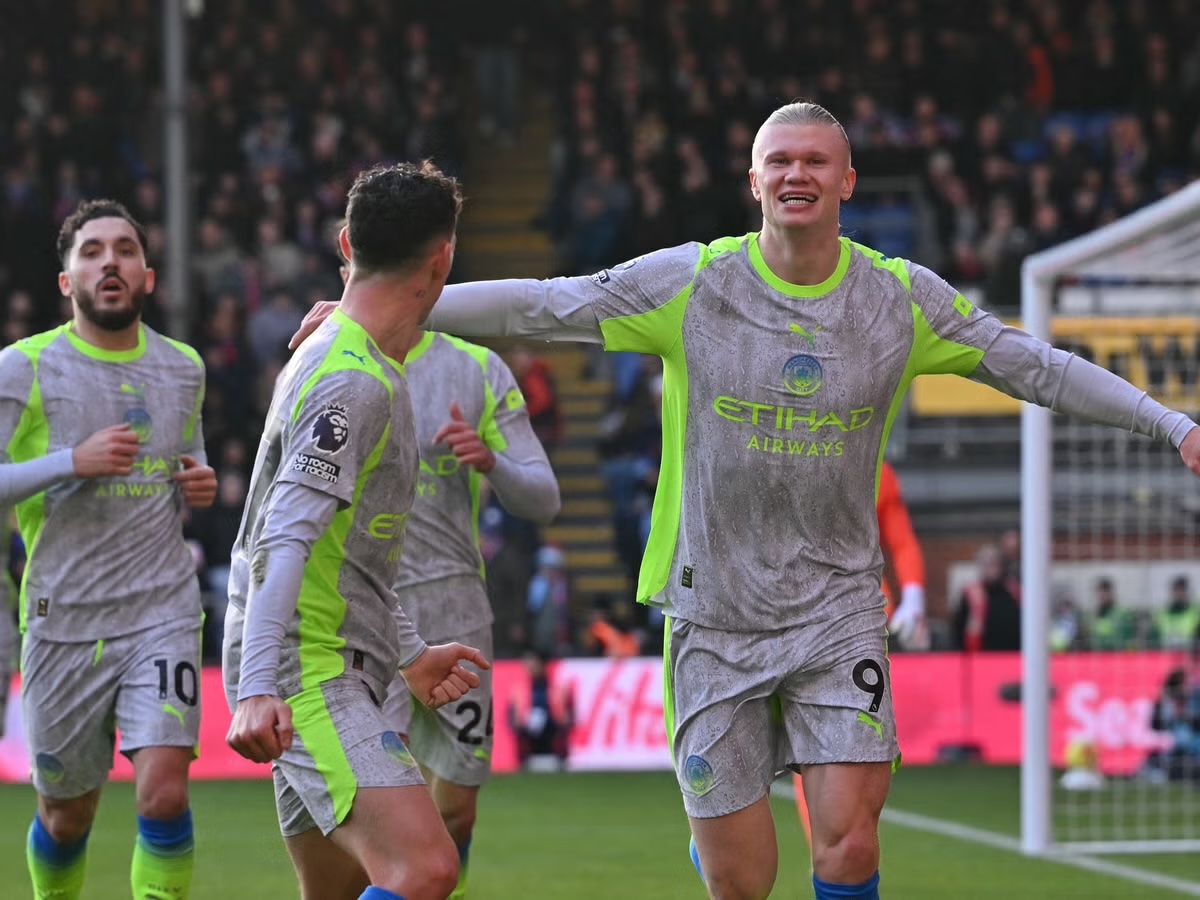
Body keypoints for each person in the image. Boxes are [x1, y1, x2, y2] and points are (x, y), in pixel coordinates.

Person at [293, 103, 1200, 900]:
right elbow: (549, 304)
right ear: (754, 182)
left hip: (838, 610)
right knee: (742, 881)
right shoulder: (694, 283)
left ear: (847, 180)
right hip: (714, 616)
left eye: (816, 161)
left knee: (848, 843)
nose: (798, 174)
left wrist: (1170, 423)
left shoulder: (897, 299)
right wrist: (379, 306)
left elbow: (1031, 365)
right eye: (780, 161)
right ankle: (716, 844)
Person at [223, 161, 491, 900]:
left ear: (346, 244)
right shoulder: (354, 381)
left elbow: (345, 550)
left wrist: (409, 652)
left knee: (339, 889)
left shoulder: (340, 354)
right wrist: (257, 687)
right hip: (309, 669)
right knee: (425, 868)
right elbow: (284, 536)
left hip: (328, 658)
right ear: (442, 260)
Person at [313, 243, 561, 899]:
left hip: (455, 607)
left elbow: (544, 498)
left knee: (455, 812)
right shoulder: (327, 358)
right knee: (379, 817)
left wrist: (491, 462)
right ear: (347, 272)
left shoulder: (476, 369)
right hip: (361, 611)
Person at [0, 199, 217, 900]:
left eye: (124, 249)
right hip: (64, 619)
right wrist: (71, 461)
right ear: (68, 282)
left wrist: (200, 479)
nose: (110, 262)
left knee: (164, 793)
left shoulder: (183, 367)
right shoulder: (24, 366)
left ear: (147, 276)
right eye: (91, 252)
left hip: (161, 611)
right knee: (66, 817)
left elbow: (189, 454)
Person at [955, 543, 1023, 652]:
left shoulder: (1015, 592)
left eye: (993, 563)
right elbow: (958, 632)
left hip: (1013, 655)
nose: (989, 569)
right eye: (984, 564)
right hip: (981, 656)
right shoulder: (971, 595)